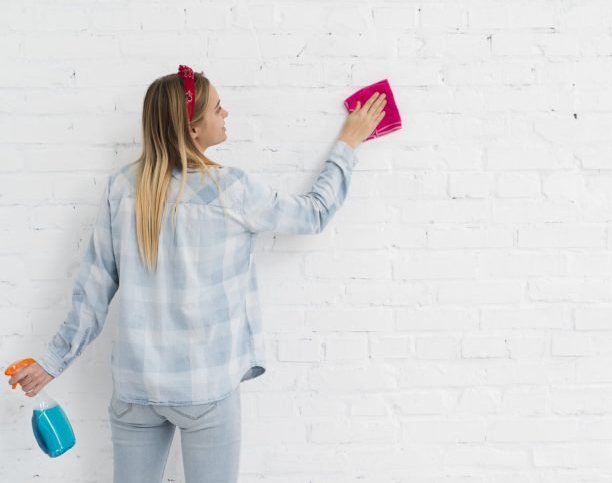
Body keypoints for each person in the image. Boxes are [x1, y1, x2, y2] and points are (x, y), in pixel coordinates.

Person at [6, 65, 387, 483]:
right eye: (218, 109)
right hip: (205, 389)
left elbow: (93, 292)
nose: (226, 115)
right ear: (193, 129)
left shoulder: (123, 189)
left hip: (137, 391)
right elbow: (313, 213)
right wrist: (348, 142)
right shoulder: (230, 190)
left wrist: (50, 363)